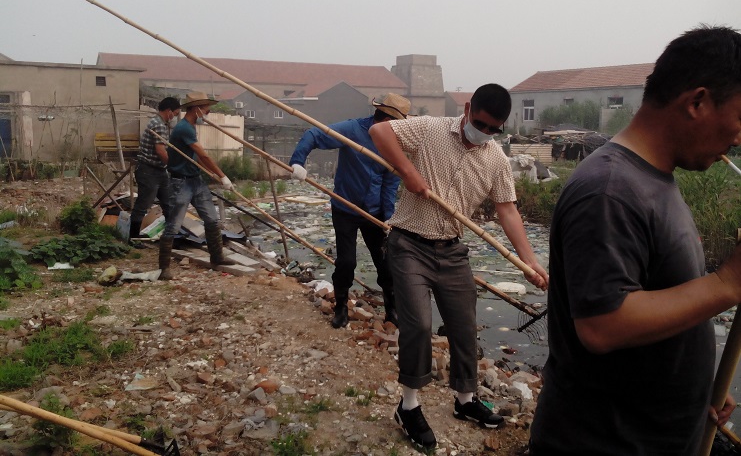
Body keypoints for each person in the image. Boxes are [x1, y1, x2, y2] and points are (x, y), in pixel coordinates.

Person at [529, 25, 741, 455]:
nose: (738, 139)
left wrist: (698, 387)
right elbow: (603, 325)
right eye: (740, 119)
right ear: (697, 102)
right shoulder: (610, 189)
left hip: (657, 431)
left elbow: (664, 296)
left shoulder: (653, 180)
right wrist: (728, 284)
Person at [369, 84, 549, 450]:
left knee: (465, 327)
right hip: (408, 244)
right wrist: (408, 171)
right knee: (419, 324)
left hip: (452, 251)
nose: (484, 133)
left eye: (493, 129)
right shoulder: (431, 128)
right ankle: (408, 406)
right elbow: (380, 132)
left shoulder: (495, 158)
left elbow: (507, 210)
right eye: (480, 124)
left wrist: (529, 261)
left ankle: (465, 401)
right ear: (467, 109)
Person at [289, 93, 411, 328]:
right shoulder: (353, 129)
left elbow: (390, 184)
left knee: (386, 263)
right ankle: (341, 308)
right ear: (387, 120)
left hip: (374, 213)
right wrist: (298, 162)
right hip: (345, 208)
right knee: (346, 262)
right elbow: (314, 134)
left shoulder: (395, 143)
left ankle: (392, 310)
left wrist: (388, 219)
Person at [158, 92, 234, 280]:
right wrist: (223, 176)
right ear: (196, 108)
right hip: (180, 182)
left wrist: (212, 173)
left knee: (212, 220)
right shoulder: (184, 128)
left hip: (195, 180)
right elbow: (203, 155)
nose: (208, 112)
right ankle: (164, 268)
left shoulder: (190, 127)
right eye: (206, 108)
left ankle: (217, 257)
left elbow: (196, 156)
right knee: (173, 225)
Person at [129, 96, 181, 244]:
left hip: (159, 170)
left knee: (168, 203)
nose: (174, 117)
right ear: (169, 111)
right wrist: (173, 167)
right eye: (175, 114)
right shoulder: (158, 125)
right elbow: (160, 151)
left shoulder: (159, 123)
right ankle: (133, 238)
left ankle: (171, 236)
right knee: (143, 204)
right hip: (149, 170)